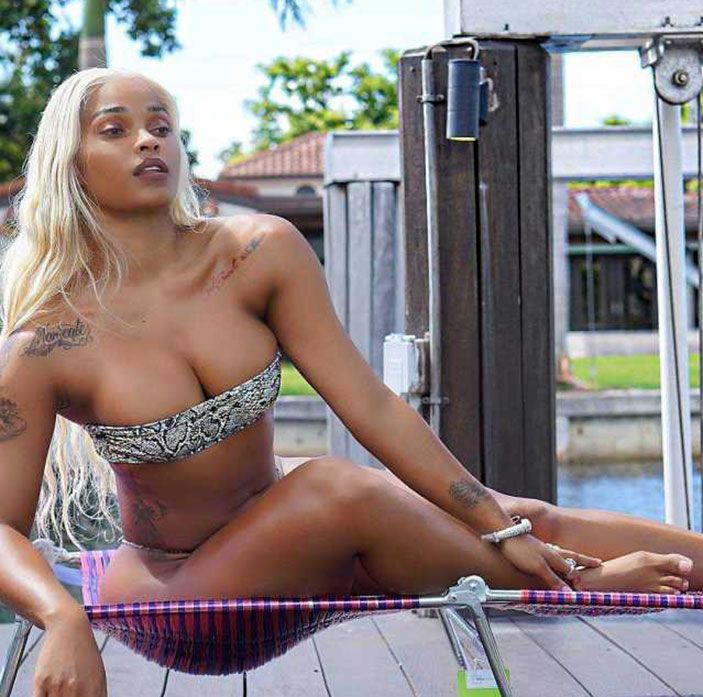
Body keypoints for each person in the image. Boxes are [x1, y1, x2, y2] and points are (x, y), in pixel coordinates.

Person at [0, 67, 698, 697]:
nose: (148, 141)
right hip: (183, 596)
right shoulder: (48, 343)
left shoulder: (255, 253)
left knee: (514, 516)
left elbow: (367, 402)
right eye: (115, 130)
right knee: (336, 487)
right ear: (71, 162)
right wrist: (62, 616)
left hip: (299, 538)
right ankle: (581, 585)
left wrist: (496, 519)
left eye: (162, 126)